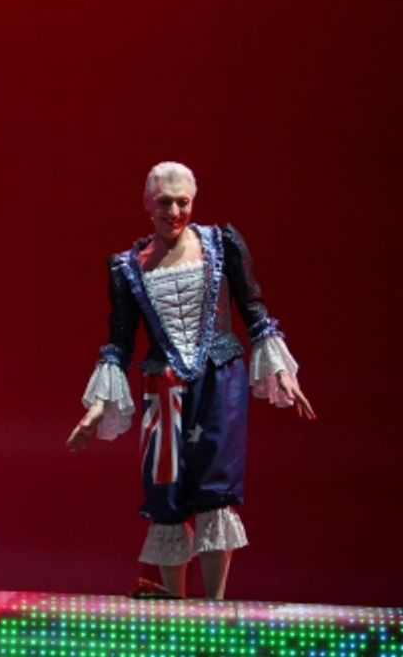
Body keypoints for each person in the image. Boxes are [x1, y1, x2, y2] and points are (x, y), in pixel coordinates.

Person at [66, 161, 315, 599]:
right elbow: (120, 341)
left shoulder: (221, 244)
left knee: (215, 491)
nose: (175, 211)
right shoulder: (127, 267)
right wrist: (98, 406)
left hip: (220, 378)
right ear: (147, 204)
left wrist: (280, 368)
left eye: (183, 201)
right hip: (163, 386)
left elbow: (253, 309)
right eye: (165, 202)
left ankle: (215, 606)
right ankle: (175, 608)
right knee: (166, 495)